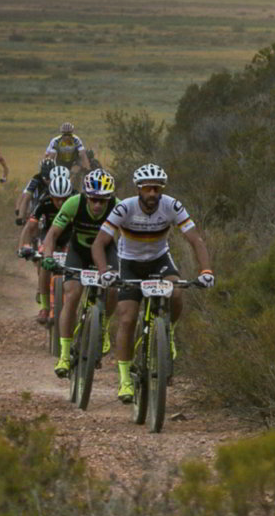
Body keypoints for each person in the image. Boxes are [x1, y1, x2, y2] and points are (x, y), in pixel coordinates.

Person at [92, 163, 214, 404]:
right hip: (128, 263)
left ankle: (168, 332)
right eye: (148, 189)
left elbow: (195, 239)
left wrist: (206, 271)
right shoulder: (124, 208)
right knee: (126, 319)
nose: (152, 194)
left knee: (177, 291)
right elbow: (99, 243)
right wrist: (105, 271)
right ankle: (125, 377)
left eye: (156, 189)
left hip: (160, 260)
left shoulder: (172, 205)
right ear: (139, 189)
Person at [38, 168, 118, 378]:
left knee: (113, 291)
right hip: (79, 252)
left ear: (110, 198)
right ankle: (64, 354)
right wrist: (48, 256)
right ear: (85, 196)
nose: (98, 205)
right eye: (93, 200)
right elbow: (52, 234)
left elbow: (129, 240)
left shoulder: (118, 207)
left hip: (107, 252)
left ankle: (104, 327)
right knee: (72, 294)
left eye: (103, 200)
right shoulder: (73, 203)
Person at [19, 162, 76, 324]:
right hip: (49, 237)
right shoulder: (44, 202)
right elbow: (30, 226)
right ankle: (44, 307)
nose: (60, 203)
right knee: (45, 264)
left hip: (70, 237)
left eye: (64, 199)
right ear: (51, 196)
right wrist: (25, 246)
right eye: (57, 199)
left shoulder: (77, 199)